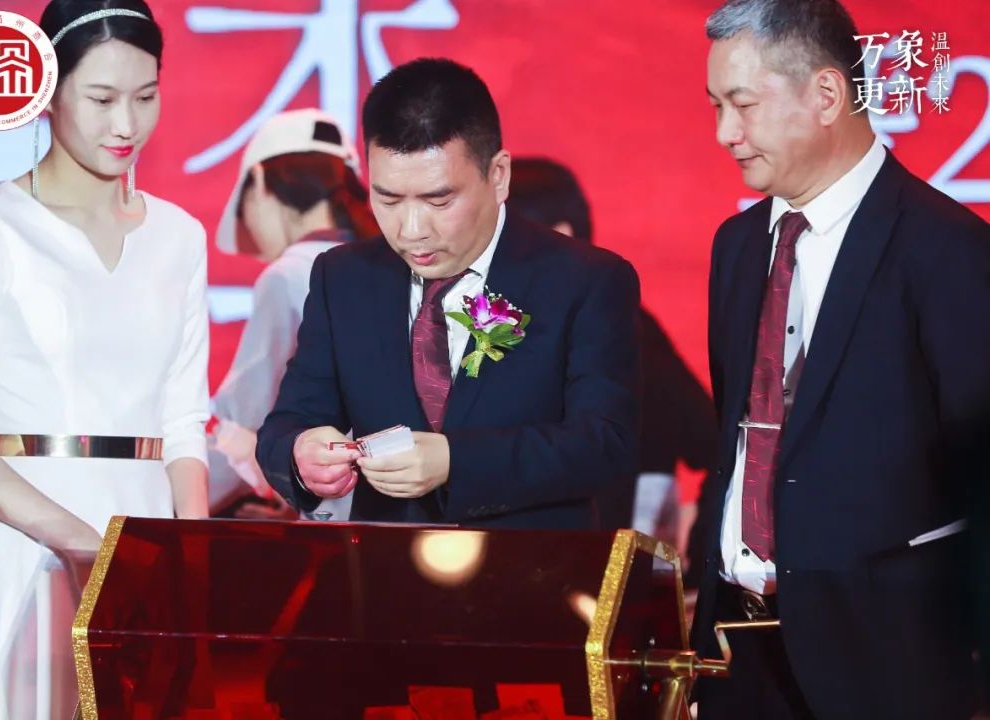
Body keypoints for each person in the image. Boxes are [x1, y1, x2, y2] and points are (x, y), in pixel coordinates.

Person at [691, 1, 990, 718]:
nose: (725, 132)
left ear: (826, 94)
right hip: (738, 652)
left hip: (888, 660)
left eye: (743, 105)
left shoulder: (946, 250)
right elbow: (738, 440)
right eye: (716, 106)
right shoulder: (737, 246)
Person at [0, 1, 210, 717]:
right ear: (46, 93)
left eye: (145, 96)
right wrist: (79, 545)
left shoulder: (179, 236)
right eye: (102, 99)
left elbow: (183, 421)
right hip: (23, 545)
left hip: (144, 548)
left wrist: (195, 558)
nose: (126, 124)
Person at [256, 58, 641, 529]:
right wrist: (301, 454)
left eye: (439, 200)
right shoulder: (344, 278)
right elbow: (286, 422)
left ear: (498, 175)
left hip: (531, 566)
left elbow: (606, 443)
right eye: (388, 199)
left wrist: (456, 461)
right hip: (384, 565)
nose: (412, 230)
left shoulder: (583, 280)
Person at [508, 157, 717, 547]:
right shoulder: (496, 327)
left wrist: (705, 544)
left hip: (611, 567)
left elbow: (714, 442)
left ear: (561, 235)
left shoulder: (626, 325)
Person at [209, 108, 378, 520]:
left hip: (334, 509)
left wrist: (166, 502)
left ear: (259, 182)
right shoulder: (383, 264)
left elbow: (241, 428)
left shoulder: (288, 274)